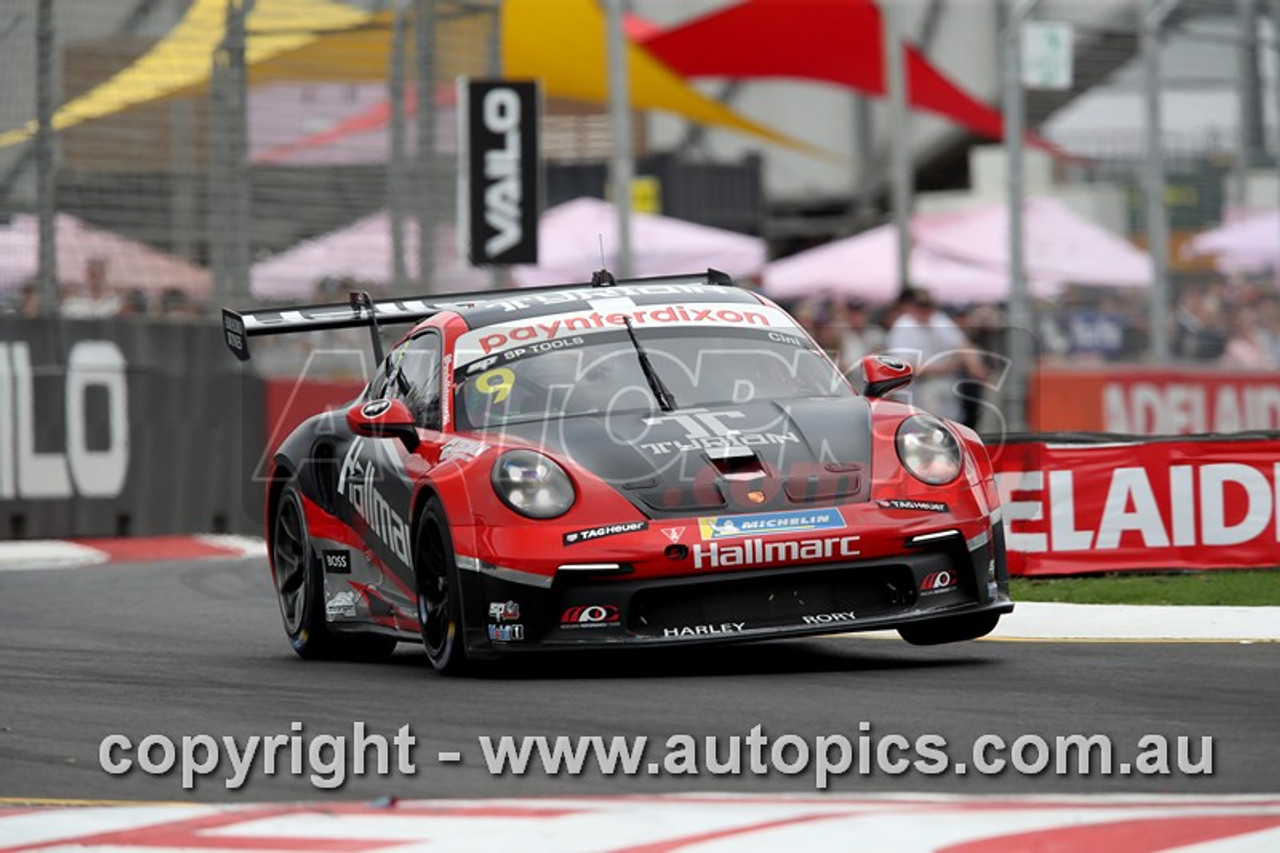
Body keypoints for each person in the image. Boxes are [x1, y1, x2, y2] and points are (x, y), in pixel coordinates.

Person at [884, 286, 988, 424]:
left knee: (952, 425)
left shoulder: (938, 320)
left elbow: (962, 344)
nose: (925, 311)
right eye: (921, 306)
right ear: (912, 307)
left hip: (944, 385)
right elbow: (904, 367)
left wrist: (975, 366)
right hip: (918, 388)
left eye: (928, 306)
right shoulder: (903, 326)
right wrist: (943, 369)